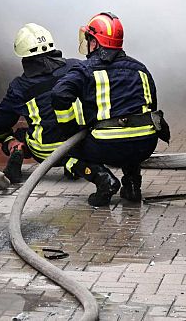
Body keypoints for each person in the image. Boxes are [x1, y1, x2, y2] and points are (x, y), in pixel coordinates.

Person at [51, 12, 167, 205]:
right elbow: (150, 106)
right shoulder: (141, 69)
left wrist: (69, 130)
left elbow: (59, 94)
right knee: (130, 138)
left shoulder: (85, 70)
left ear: (95, 42)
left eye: (89, 39)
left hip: (107, 146)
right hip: (146, 145)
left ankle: (103, 180)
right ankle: (132, 185)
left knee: (70, 154)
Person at [0, 23, 82, 183]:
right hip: (80, 145)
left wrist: (3, 137)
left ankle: (16, 148)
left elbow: (0, 122)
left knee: (17, 135)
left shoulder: (20, 86)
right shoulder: (76, 67)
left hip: (43, 150)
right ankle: (74, 164)